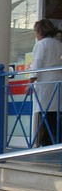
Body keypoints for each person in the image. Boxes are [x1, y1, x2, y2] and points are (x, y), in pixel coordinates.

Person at [30, 18, 62, 146]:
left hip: (45, 81)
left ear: (40, 31)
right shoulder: (58, 43)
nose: (35, 34)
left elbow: (37, 62)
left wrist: (31, 80)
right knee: (55, 112)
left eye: (35, 31)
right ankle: (55, 140)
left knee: (45, 112)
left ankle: (46, 142)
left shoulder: (41, 44)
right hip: (57, 79)